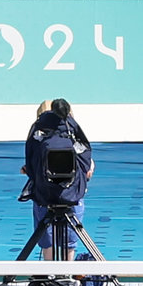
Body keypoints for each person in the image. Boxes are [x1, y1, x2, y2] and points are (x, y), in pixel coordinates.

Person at [19, 95, 99, 267]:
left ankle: (49, 272)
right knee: (70, 237)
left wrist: (32, 173)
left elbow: (31, 164)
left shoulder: (38, 133)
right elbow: (87, 164)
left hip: (45, 197)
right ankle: (67, 275)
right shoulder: (74, 133)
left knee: (46, 233)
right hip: (72, 196)